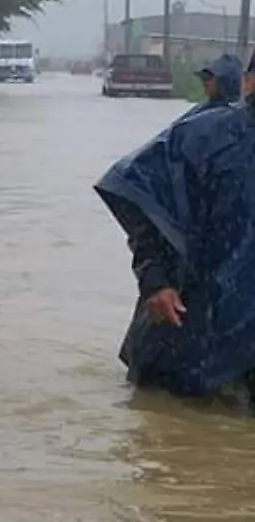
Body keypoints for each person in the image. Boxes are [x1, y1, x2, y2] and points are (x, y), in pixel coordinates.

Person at [95, 92, 255, 405]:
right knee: (173, 437)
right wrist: (155, 281)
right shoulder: (205, 135)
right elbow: (136, 198)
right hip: (191, 333)